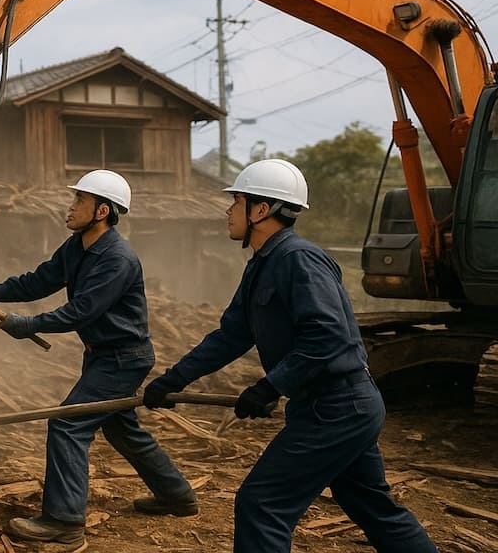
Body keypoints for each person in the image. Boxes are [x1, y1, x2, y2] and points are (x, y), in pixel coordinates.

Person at [142, 159, 438, 553]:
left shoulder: (298, 259)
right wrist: (173, 380)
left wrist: (270, 386)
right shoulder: (263, 265)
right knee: (369, 503)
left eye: (236, 201)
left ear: (261, 210)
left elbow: (327, 336)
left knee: (262, 504)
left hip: (337, 406)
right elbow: (231, 336)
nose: (228, 210)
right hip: (335, 406)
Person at [0, 170, 197, 552]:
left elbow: (81, 311)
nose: (70, 207)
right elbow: (39, 281)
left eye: (79, 201)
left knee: (67, 425)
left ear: (102, 210)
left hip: (122, 359)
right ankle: (177, 495)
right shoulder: (76, 247)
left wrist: (27, 324)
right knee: (122, 430)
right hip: (104, 357)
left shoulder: (117, 258)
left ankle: (64, 522)